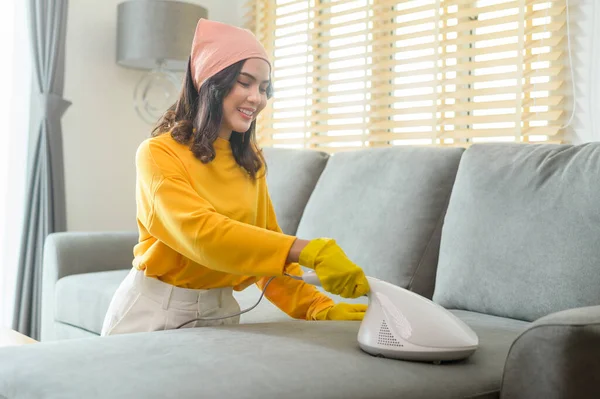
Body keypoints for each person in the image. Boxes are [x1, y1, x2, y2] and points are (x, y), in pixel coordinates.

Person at [101, 19, 369, 336]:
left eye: (264, 88)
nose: (257, 98)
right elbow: (202, 235)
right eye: (245, 82)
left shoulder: (250, 163)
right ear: (211, 82)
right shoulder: (158, 155)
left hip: (222, 315)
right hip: (154, 313)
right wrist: (308, 249)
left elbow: (263, 253)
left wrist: (316, 306)